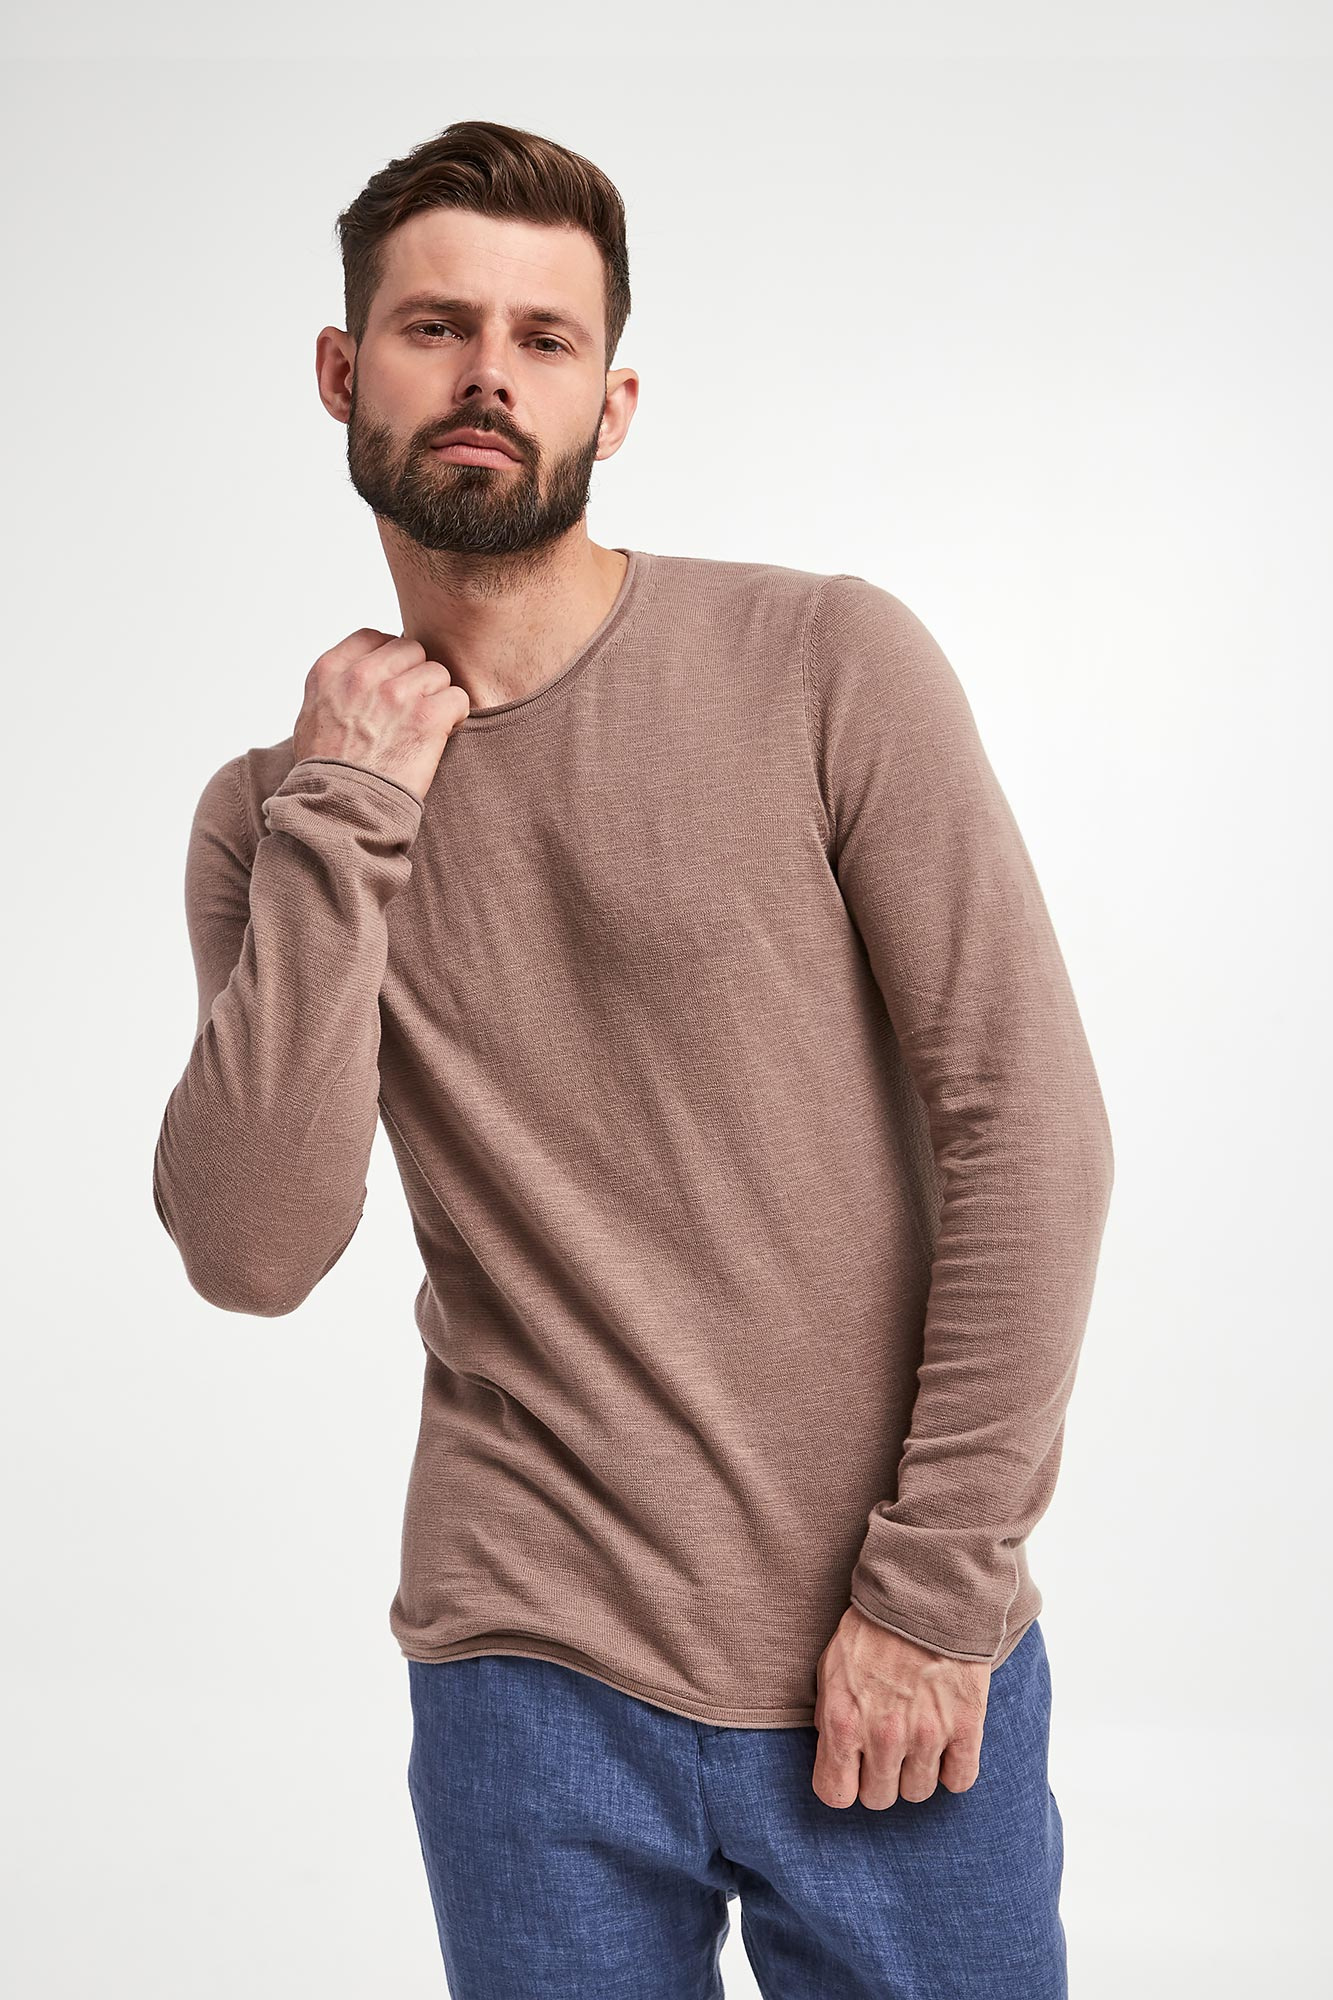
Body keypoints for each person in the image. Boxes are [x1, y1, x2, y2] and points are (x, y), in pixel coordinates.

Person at [151, 117, 1114, 1999]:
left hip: (885, 1649)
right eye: (435, 327)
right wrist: (348, 817)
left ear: (614, 399)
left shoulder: (824, 661)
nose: (488, 375)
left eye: (545, 337)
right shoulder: (274, 815)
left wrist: (935, 1593)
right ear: (343, 373)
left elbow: (1030, 1133)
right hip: (523, 1676)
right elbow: (253, 1251)